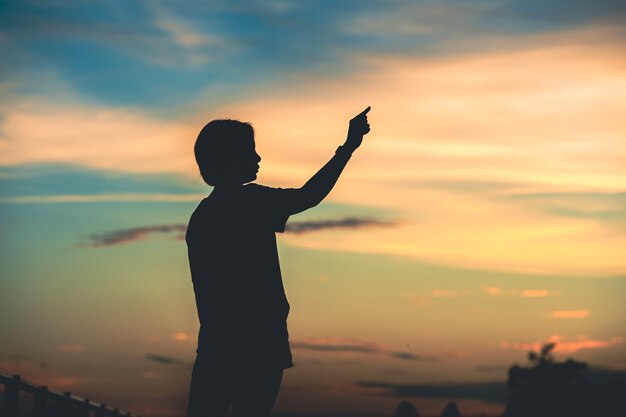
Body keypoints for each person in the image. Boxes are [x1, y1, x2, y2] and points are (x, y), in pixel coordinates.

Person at [185, 107, 372, 417]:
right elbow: (308, 196)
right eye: (250, 152)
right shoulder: (250, 202)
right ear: (229, 159)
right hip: (260, 346)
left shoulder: (202, 215)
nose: (258, 159)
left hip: (216, 347)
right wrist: (348, 147)